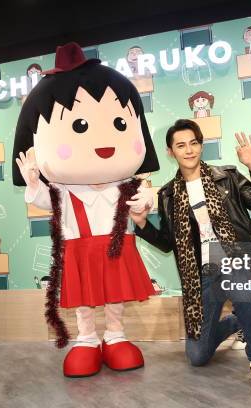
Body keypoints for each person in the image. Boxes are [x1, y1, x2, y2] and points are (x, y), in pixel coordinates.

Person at [13, 42, 160, 378]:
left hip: (116, 247)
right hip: (79, 249)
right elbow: (42, 201)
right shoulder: (63, 190)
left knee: (115, 296)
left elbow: (144, 196)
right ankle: (88, 339)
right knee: (84, 299)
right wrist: (34, 182)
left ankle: (115, 336)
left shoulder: (123, 186)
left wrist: (146, 196)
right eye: (79, 127)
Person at [131, 119, 251, 396]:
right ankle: (239, 323)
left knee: (236, 274)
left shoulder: (228, 177)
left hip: (236, 258)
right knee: (197, 356)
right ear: (170, 152)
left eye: (194, 143)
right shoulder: (167, 195)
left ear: (201, 145)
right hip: (202, 274)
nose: (189, 150)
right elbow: (166, 243)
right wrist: (141, 224)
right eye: (181, 145)